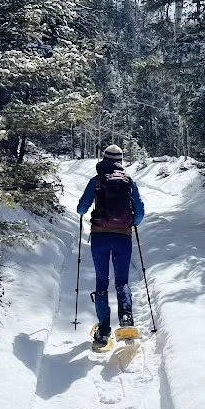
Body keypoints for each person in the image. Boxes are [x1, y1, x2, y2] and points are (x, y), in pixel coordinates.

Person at [77, 144, 145, 347]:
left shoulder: (96, 180)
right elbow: (140, 212)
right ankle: (126, 322)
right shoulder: (128, 182)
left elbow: (81, 208)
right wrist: (130, 223)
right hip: (123, 237)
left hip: (100, 237)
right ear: (121, 160)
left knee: (101, 281)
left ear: (104, 158)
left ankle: (104, 330)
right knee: (122, 281)